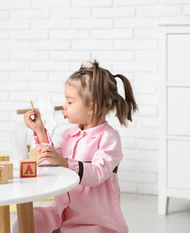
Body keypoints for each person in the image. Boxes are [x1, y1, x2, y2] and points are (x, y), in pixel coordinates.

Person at [16, 60, 138, 233]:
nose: (64, 106)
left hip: (94, 221)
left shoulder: (109, 138)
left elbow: (97, 173)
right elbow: (51, 160)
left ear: (92, 107)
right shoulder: (69, 134)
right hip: (60, 214)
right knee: (27, 221)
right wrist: (40, 131)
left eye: (70, 102)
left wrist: (65, 163)